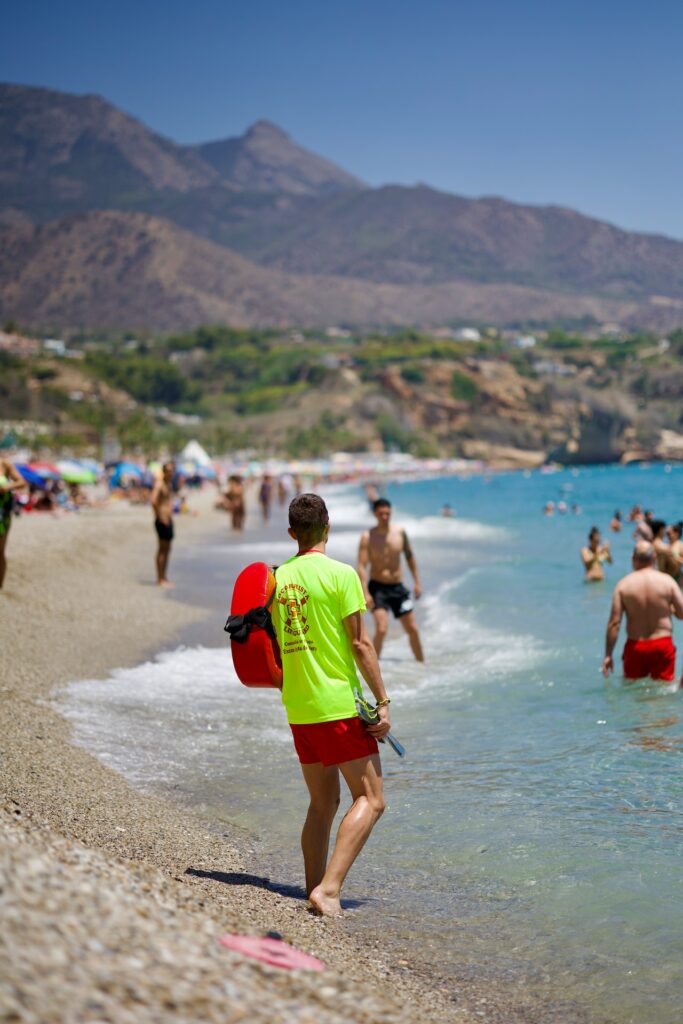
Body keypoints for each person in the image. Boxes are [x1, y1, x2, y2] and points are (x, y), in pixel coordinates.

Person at [272, 493, 391, 917]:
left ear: (292, 533)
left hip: (299, 707)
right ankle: (330, 889)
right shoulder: (342, 575)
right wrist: (383, 700)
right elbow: (360, 643)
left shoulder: (277, 578)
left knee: (322, 803)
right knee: (372, 799)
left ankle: (313, 886)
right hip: (337, 706)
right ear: (328, 526)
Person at [602, 541, 683, 684]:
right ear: (654, 558)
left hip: (636, 647)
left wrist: (608, 655)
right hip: (662, 645)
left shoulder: (623, 585)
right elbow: (682, 613)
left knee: (634, 696)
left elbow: (614, 623)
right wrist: (668, 608)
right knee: (663, 693)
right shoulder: (668, 582)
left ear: (633, 559)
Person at [358, 499, 424, 662]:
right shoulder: (368, 537)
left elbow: (410, 558)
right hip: (377, 589)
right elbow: (361, 566)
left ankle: (422, 664)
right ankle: (373, 666)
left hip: (398, 588)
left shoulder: (400, 533)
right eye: (381, 514)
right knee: (381, 628)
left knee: (413, 629)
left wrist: (417, 583)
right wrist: (365, 593)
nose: (385, 517)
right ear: (375, 514)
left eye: (388, 513)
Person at [0, 458, 25, 590]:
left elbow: (22, 482)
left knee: (0, 551)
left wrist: (7, 487)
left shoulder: (4, 464)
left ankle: (0, 587)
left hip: (2, 513)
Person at [151, 461, 175, 587]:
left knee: (167, 549)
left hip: (168, 520)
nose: (171, 473)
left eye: (172, 471)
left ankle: (164, 577)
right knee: (162, 549)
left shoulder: (168, 484)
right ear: (164, 472)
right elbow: (153, 500)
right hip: (162, 521)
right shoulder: (160, 484)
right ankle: (160, 578)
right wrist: (160, 516)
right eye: (169, 471)